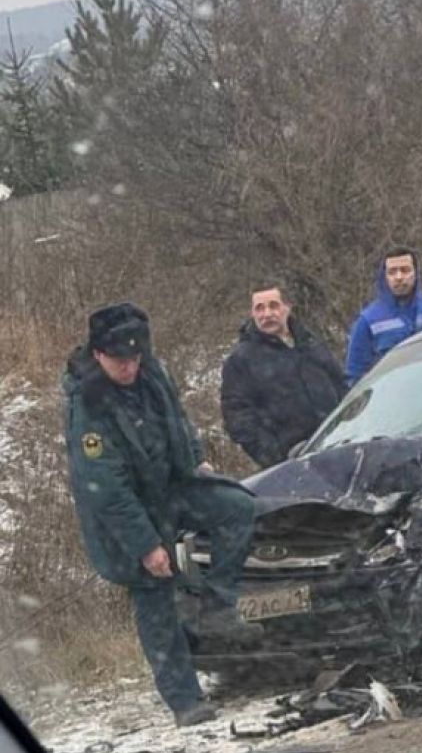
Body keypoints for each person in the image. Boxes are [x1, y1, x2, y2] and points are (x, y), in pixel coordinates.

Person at [62, 303, 259, 728]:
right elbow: (107, 490)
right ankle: (185, 699)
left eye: (135, 358)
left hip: (171, 486)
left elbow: (178, 420)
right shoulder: (89, 407)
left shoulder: (152, 372)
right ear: (98, 356)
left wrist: (195, 460)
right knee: (155, 596)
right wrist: (148, 545)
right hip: (127, 513)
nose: (130, 367)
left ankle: (216, 604)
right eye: (120, 360)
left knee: (238, 508)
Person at [220, 284, 345, 468]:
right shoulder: (241, 361)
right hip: (292, 463)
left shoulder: (311, 344)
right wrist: (277, 458)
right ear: (252, 313)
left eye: (273, 305)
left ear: (288, 307)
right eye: (259, 308)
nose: (267, 314)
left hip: (340, 447)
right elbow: (238, 419)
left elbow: (342, 386)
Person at [345, 247, 422, 384]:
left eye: (405, 270)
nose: (399, 277)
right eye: (392, 272)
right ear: (385, 277)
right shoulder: (369, 321)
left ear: (415, 274)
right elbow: (355, 375)